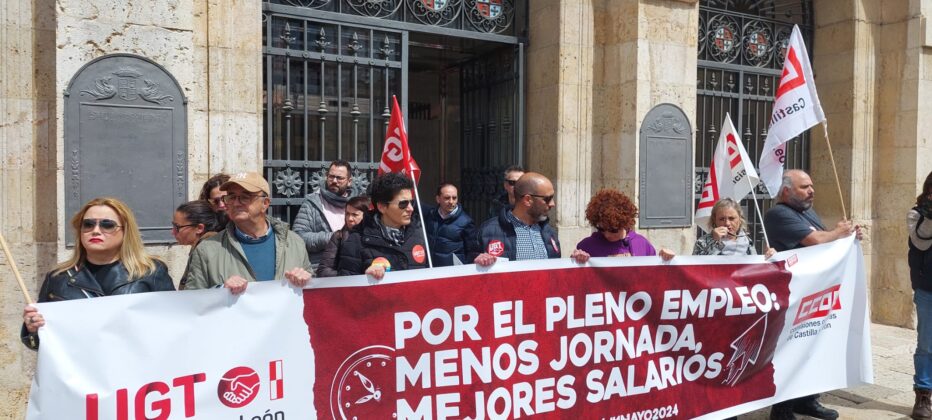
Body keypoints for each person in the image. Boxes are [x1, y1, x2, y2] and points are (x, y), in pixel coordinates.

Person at [764, 169, 860, 420]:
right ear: (786, 191)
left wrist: (848, 237)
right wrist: (839, 233)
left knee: (812, 349)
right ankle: (782, 409)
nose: (812, 190)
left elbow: (827, 242)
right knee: (790, 352)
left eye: (812, 186)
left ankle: (807, 400)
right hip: (792, 296)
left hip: (813, 293)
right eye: (804, 187)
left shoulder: (807, 212)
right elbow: (817, 240)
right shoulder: (778, 214)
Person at [21, 197, 175, 350]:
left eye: (107, 225)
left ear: (125, 231)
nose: (95, 231)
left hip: (134, 368)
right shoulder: (58, 278)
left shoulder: (150, 271)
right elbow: (41, 345)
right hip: (81, 371)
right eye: (88, 224)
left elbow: (172, 326)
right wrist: (33, 330)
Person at [184, 172, 312, 294]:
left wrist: (306, 279)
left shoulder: (295, 242)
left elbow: (313, 294)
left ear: (265, 203)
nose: (236, 203)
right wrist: (221, 290)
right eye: (231, 197)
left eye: (245, 197)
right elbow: (192, 300)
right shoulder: (207, 249)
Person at [475, 172, 588, 266]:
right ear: (528, 200)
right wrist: (479, 261)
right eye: (547, 199)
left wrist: (574, 262)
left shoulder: (549, 232)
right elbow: (469, 275)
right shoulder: (489, 231)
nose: (552, 204)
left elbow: (555, 275)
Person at [337, 173, 428, 279]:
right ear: (382, 207)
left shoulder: (418, 234)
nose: (410, 209)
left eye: (411, 203)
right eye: (403, 204)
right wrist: (365, 279)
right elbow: (347, 288)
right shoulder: (356, 241)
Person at [575, 188, 675, 260]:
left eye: (613, 229)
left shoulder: (642, 244)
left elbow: (655, 278)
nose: (607, 234)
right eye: (601, 229)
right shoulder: (587, 246)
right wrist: (576, 259)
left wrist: (666, 260)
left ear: (624, 223)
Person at [293, 160, 355, 266]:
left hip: (351, 268)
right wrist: (333, 237)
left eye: (339, 178)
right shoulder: (312, 203)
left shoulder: (358, 204)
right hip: (320, 270)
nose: (334, 181)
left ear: (349, 181)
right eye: (331, 176)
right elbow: (298, 238)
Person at [909, 170, 932, 420]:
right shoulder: (916, 213)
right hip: (928, 288)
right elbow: (921, 242)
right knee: (927, 344)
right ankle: (923, 394)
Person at [693, 198, 776, 259]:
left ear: (740, 219)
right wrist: (715, 242)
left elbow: (755, 268)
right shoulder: (702, 242)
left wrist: (769, 258)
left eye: (732, 218)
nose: (727, 223)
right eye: (722, 219)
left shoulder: (747, 241)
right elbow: (696, 268)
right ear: (715, 220)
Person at [424, 183, 478, 266]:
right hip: (431, 270)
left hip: (452, 273)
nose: (451, 201)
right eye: (447, 198)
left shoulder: (466, 222)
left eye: (454, 198)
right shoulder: (431, 215)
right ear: (438, 199)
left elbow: (473, 253)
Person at [172, 200, 221, 289]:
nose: (173, 232)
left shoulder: (209, 252)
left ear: (199, 228)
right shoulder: (200, 247)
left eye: (177, 227)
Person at [316, 196, 369, 278]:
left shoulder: (375, 237)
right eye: (347, 214)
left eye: (355, 215)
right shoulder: (339, 236)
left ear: (366, 216)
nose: (350, 218)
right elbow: (323, 270)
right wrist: (345, 276)